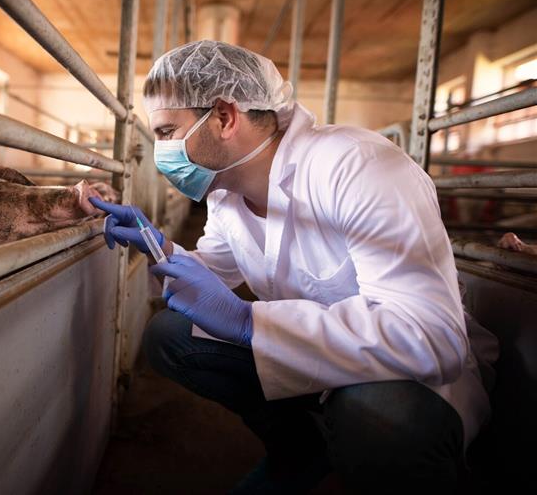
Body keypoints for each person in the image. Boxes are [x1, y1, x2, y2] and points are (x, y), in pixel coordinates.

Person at [90, 40, 496, 494]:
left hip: (408, 378)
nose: (162, 150)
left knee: (377, 416)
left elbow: (432, 337)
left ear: (225, 116)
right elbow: (210, 273)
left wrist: (247, 320)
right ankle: (300, 451)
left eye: (167, 132)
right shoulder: (227, 196)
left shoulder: (356, 166)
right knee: (170, 336)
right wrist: (156, 245)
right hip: (316, 358)